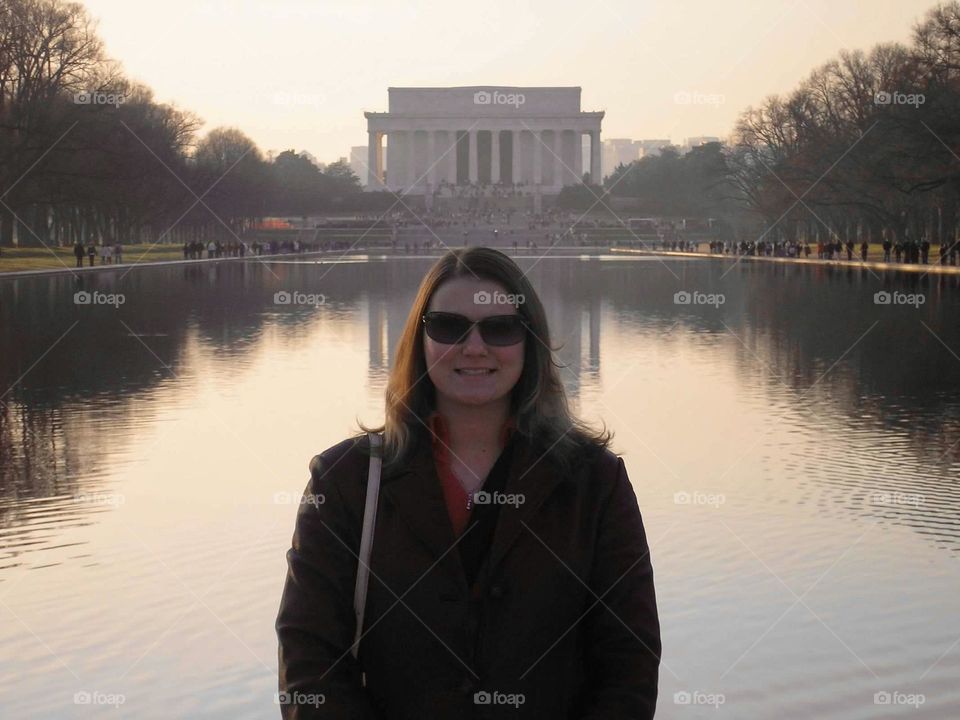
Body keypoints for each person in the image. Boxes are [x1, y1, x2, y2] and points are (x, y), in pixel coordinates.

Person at [276, 247, 661, 719]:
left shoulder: (594, 482)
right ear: (419, 341)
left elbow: (628, 661)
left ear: (529, 341)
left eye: (500, 328)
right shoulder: (346, 481)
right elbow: (310, 662)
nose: (474, 348)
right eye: (448, 327)